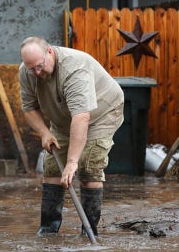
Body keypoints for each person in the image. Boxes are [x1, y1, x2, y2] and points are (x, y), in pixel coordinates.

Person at [19, 36, 124, 236]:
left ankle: (88, 231)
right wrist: (44, 133)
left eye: (40, 66)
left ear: (49, 51)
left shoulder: (74, 68)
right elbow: (29, 108)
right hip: (63, 117)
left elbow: (82, 117)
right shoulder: (27, 71)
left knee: (88, 166)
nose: (37, 73)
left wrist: (73, 161)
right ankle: (48, 229)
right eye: (32, 69)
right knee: (52, 167)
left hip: (100, 114)